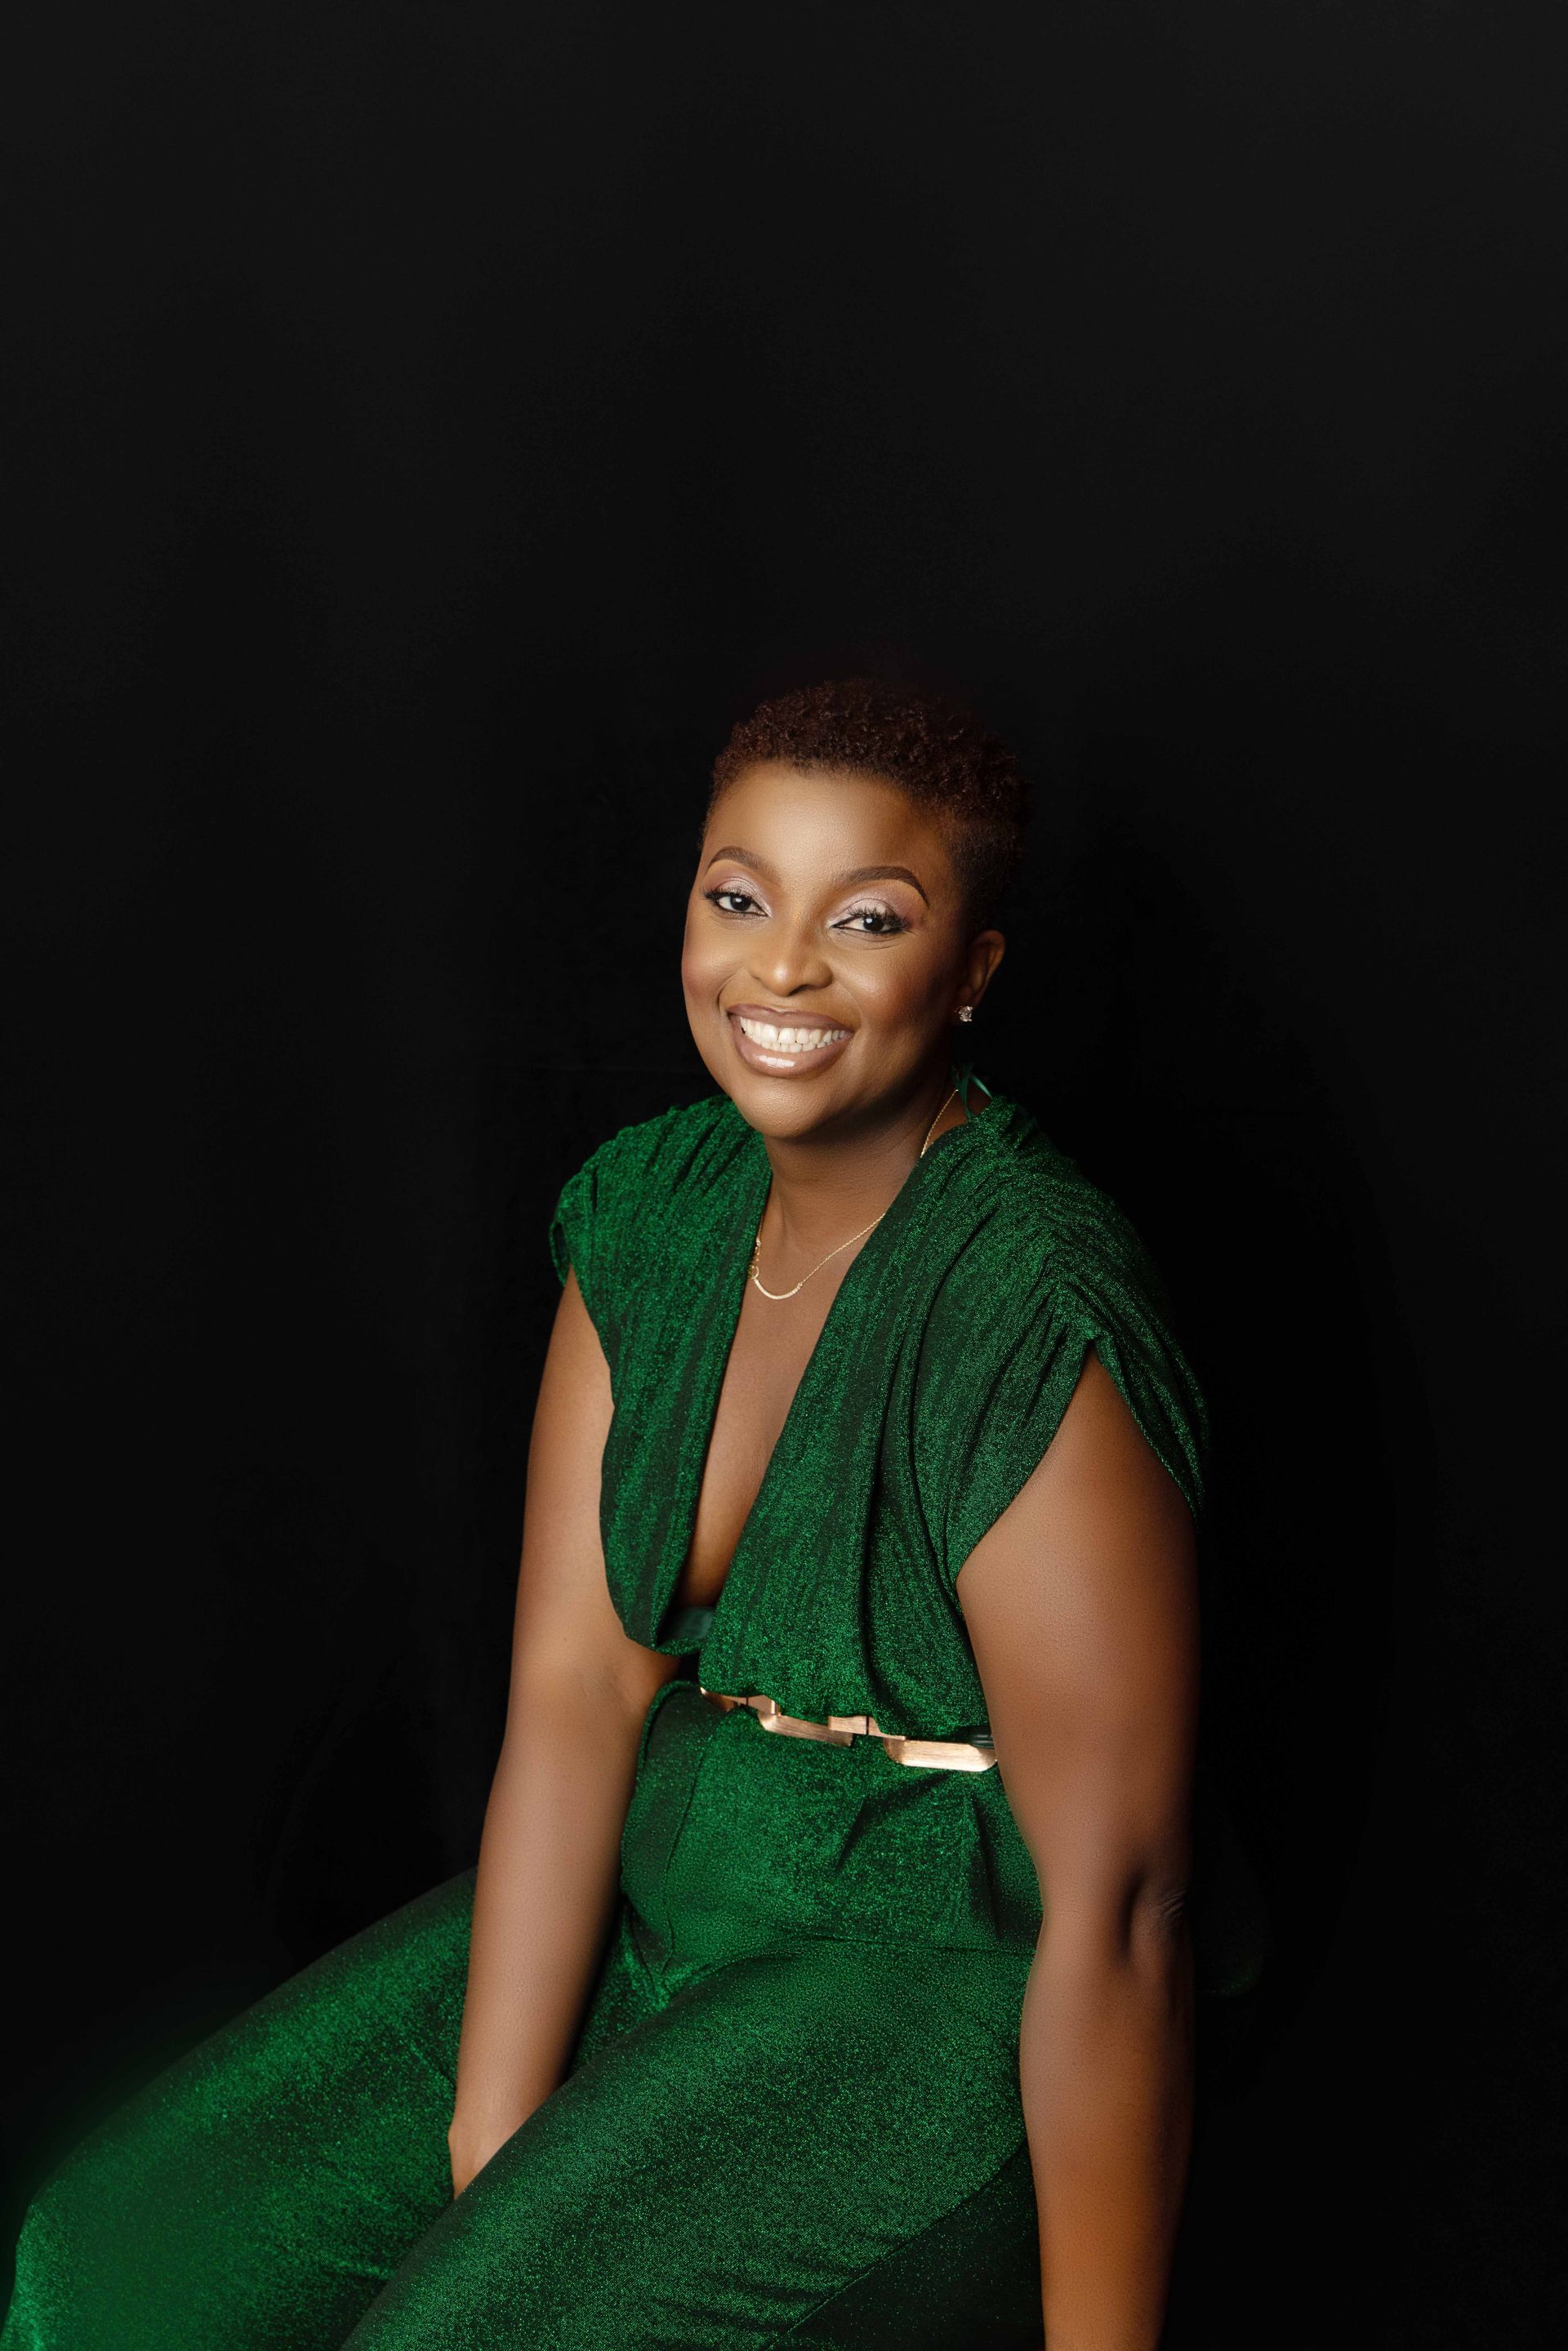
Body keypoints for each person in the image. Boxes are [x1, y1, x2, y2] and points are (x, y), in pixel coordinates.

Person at [2, 678, 1267, 2350]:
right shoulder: (651, 1217)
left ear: (971, 973)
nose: (782, 969)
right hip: (677, 1863)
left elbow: (1124, 1907)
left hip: (938, 1960)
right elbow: (578, 1691)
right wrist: (496, 2134)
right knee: (111, 2268)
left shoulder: (1034, 1305)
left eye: (866, 918)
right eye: (738, 896)